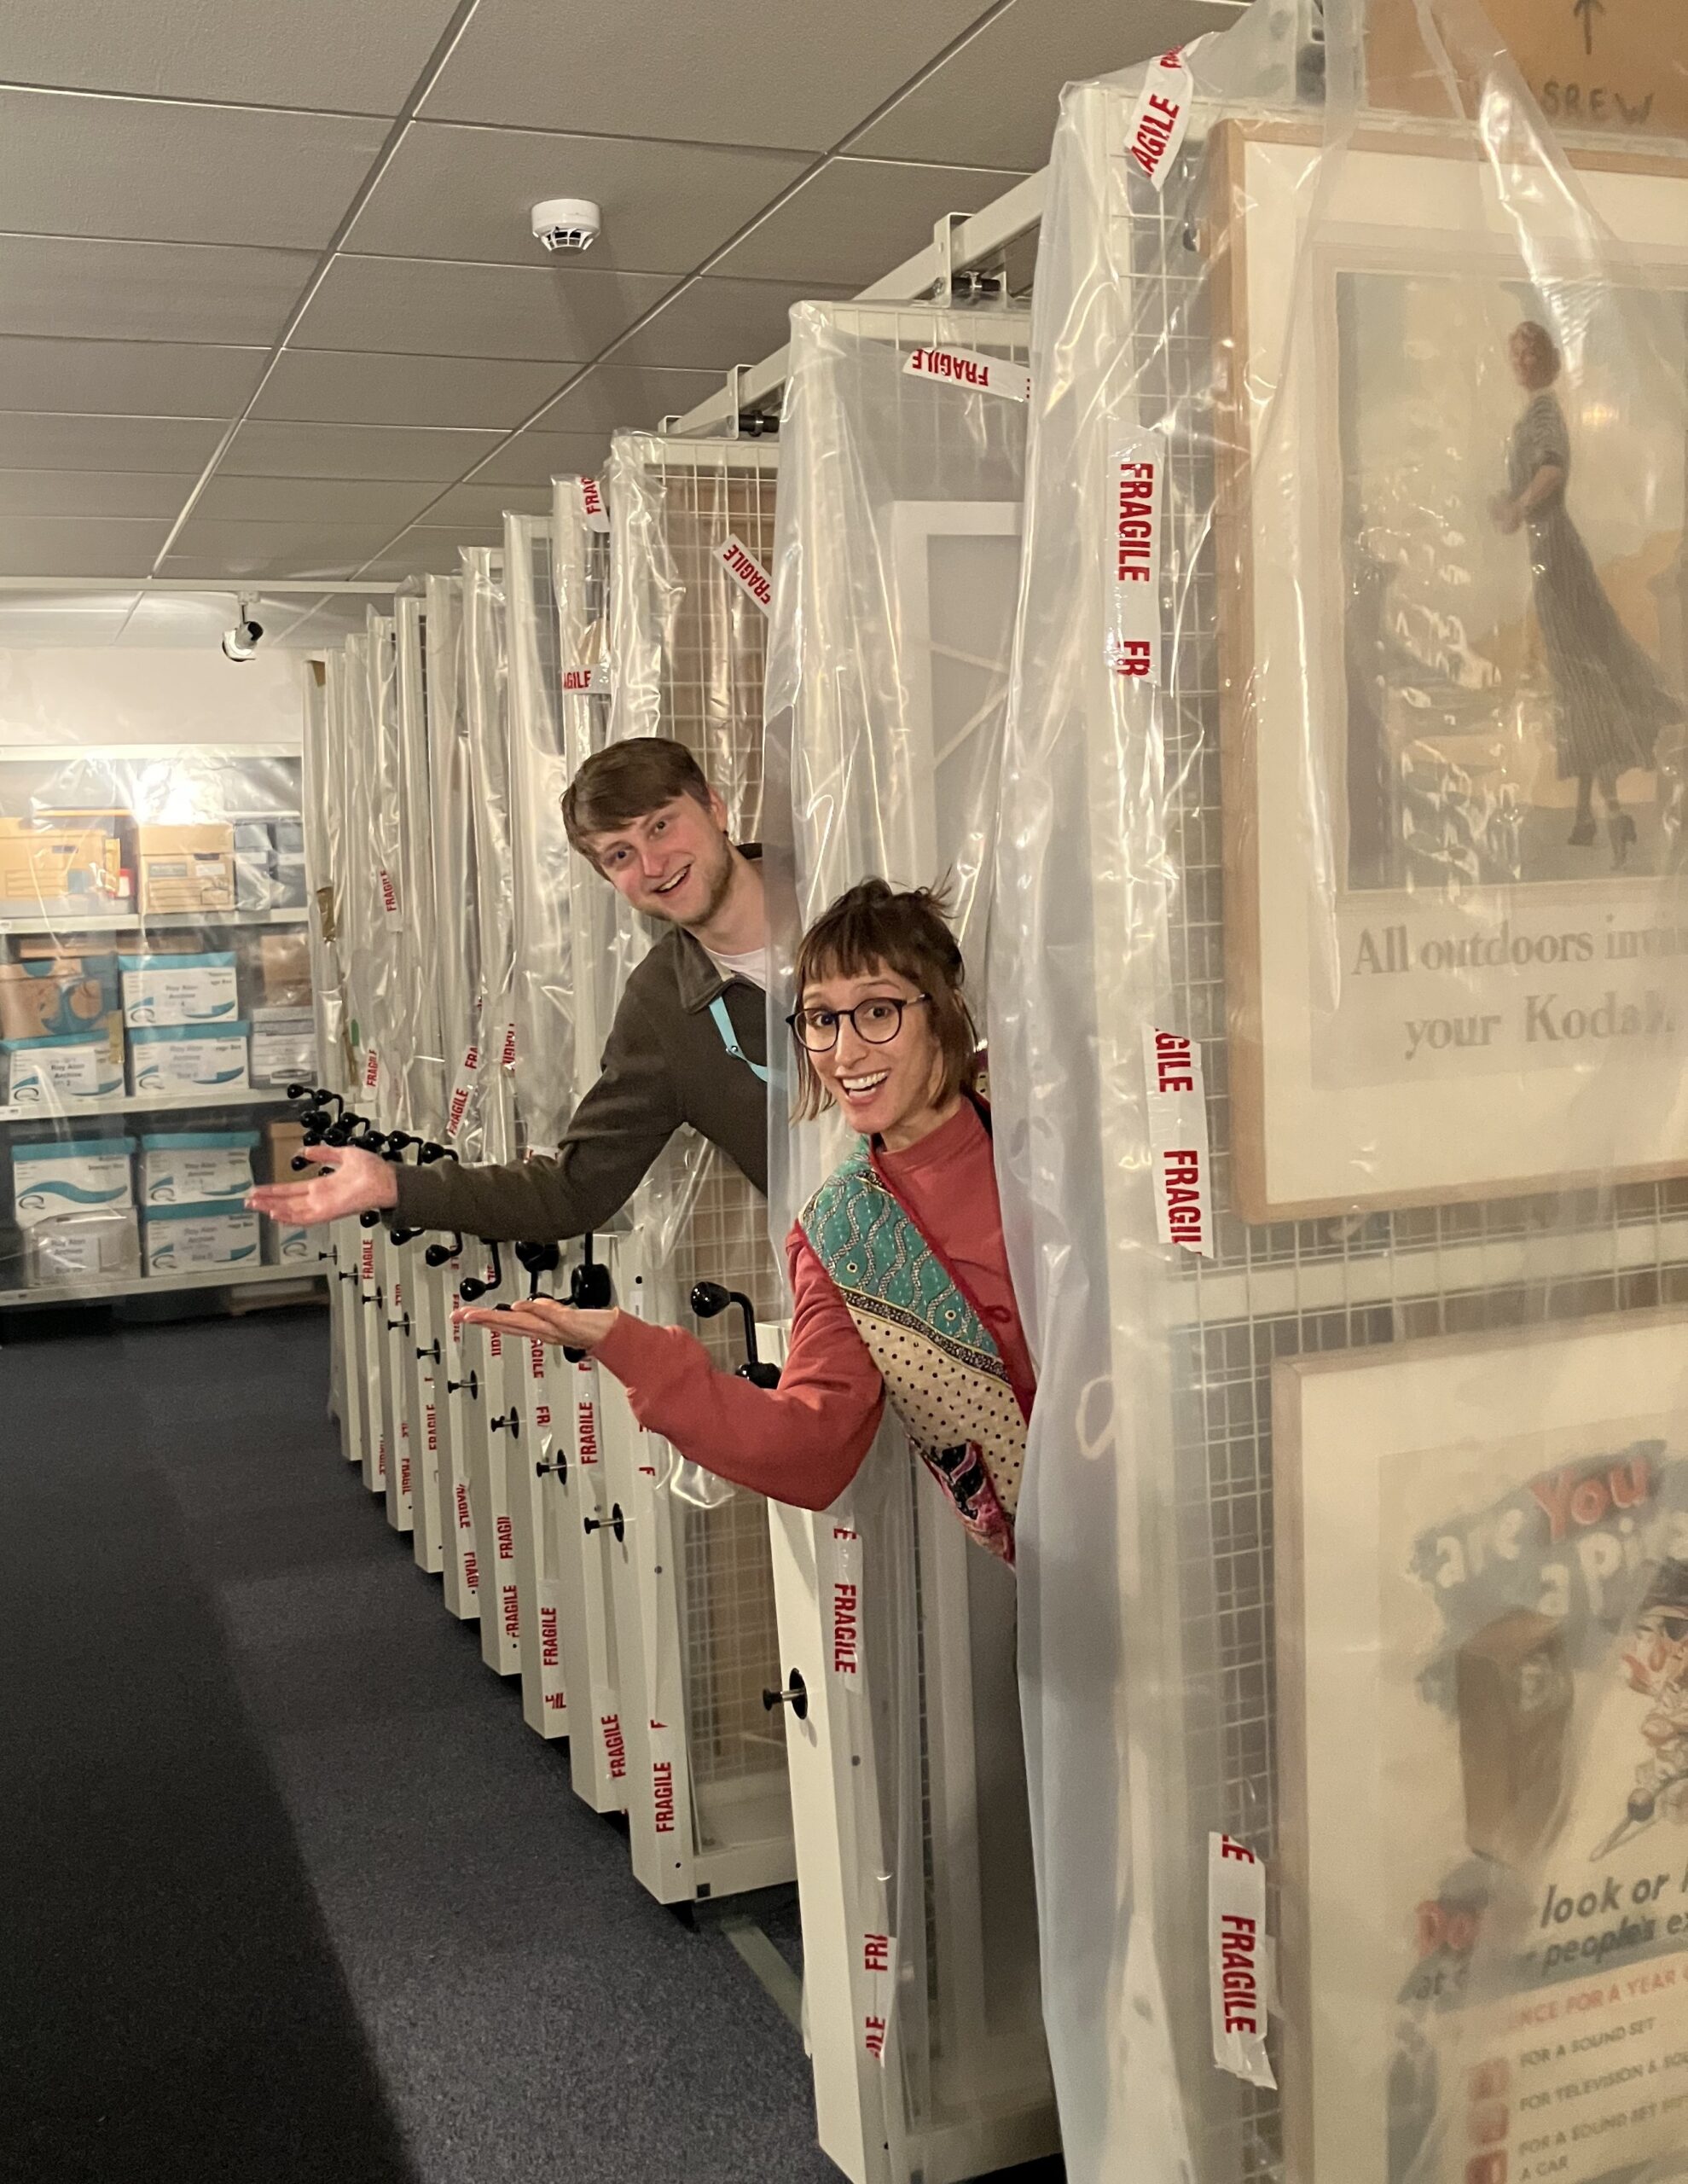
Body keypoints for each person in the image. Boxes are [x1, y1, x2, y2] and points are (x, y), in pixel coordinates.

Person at [458, 880, 1033, 1565]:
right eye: (821, 1020)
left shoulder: (1039, 1113)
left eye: (877, 1011)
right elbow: (811, 1450)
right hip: (1057, 1556)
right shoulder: (842, 1232)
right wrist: (635, 1351)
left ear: (943, 1009)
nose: (844, 1053)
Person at [248, 737, 770, 1240]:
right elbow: (573, 1192)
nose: (652, 865)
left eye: (660, 826)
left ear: (714, 808)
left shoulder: (823, 892)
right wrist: (395, 1185)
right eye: (620, 855)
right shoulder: (662, 1008)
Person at [1489, 318, 1681, 869]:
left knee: (1579, 676)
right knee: (1576, 679)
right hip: (1547, 552)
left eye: (1529, 354)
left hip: (1557, 556)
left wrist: (1517, 506)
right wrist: (1505, 506)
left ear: (1546, 360)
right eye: (1515, 355)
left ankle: (1606, 812)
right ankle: (1590, 814)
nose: (1521, 363)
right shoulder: (1532, 414)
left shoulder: (1545, 413)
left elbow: (1551, 470)